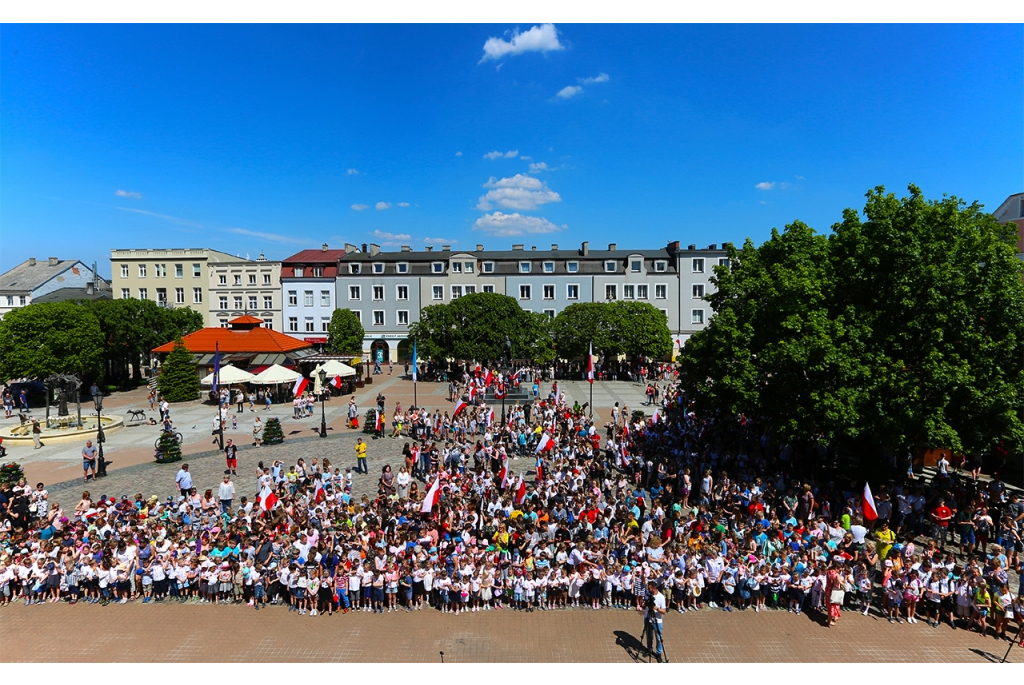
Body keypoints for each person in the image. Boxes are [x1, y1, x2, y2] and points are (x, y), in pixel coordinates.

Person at [640, 579, 667, 662]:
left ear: (654, 589)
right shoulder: (648, 594)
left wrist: (656, 608)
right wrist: (644, 604)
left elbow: (664, 612)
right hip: (648, 617)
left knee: (658, 638)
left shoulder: (661, 597)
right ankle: (649, 649)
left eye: (650, 589)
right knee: (648, 635)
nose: (648, 590)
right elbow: (644, 603)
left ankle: (658, 653)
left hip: (657, 620)